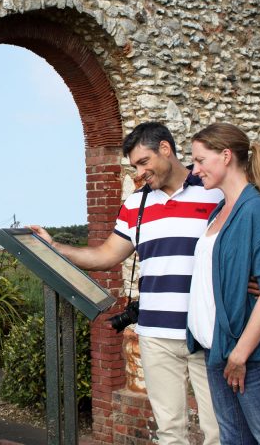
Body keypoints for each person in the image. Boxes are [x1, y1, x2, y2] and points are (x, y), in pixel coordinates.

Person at [29, 122, 221, 445]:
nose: (141, 172)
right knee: (170, 432)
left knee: (218, 430)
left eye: (144, 162)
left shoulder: (213, 191)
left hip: (205, 332)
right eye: (135, 166)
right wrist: (55, 247)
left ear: (165, 149)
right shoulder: (137, 205)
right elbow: (106, 254)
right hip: (156, 336)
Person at [186, 122, 260, 444]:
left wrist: (240, 355)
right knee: (235, 440)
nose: (195, 171)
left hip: (251, 358)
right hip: (218, 351)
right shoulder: (220, 211)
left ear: (225, 156)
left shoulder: (256, 209)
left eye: (199, 160)